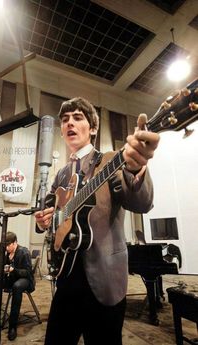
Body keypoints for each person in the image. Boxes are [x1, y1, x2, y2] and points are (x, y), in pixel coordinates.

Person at [35, 97, 160, 345]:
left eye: (78, 117)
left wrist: (136, 170)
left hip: (105, 281)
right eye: (65, 120)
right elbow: (51, 213)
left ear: (92, 128)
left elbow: (142, 203)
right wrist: (44, 221)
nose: (70, 122)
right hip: (66, 277)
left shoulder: (113, 160)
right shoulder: (61, 174)